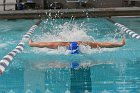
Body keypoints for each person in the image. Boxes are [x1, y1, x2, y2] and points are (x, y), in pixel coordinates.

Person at [28, 38, 125, 49]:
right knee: (100, 44)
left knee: (49, 44)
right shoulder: (86, 45)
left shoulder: (61, 45)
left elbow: (43, 44)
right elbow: (105, 45)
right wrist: (119, 44)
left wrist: (32, 44)